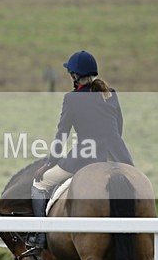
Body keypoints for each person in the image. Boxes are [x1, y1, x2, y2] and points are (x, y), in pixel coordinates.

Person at [29, 50, 134, 249]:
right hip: (118, 156)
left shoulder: (72, 98)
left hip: (85, 157)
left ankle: (40, 235)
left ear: (75, 76)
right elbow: (118, 127)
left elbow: (62, 134)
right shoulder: (111, 94)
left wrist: (49, 163)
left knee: (39, 185)